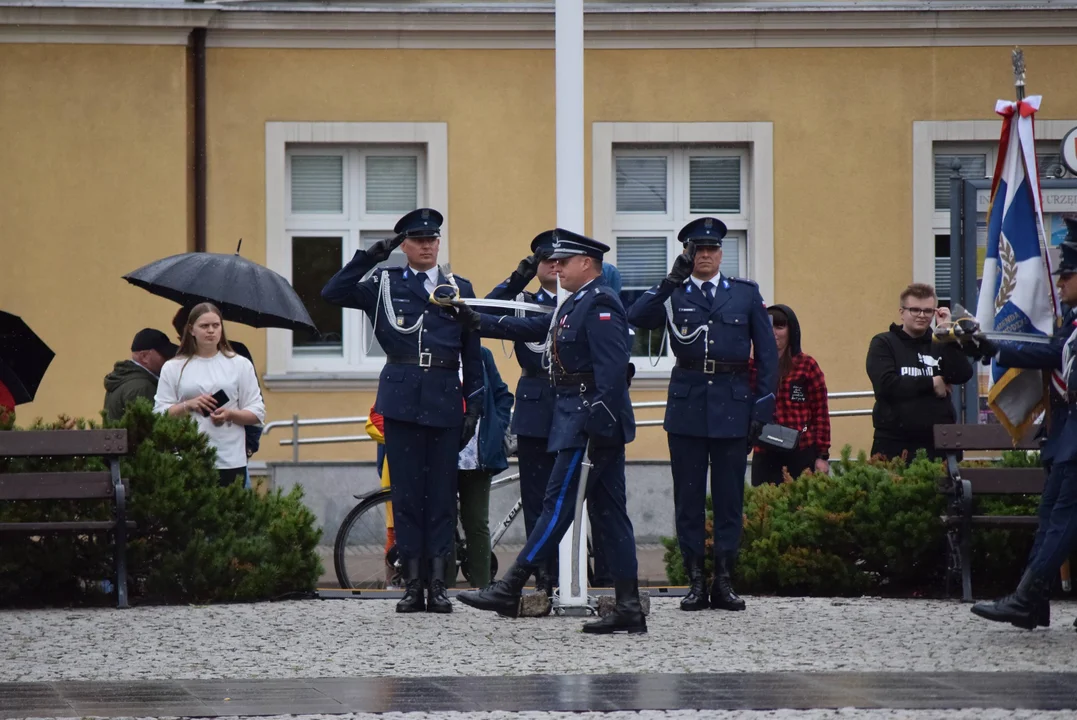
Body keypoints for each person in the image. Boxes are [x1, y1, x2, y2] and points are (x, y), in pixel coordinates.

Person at [453, 229, 646, 635]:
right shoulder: (575, 303)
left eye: (565, 260)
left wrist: (596, 419)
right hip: (581, 419)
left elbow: (613, 372)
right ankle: (629, 606)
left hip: (590, 423)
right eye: (553, 261)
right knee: (611, 517)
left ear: (587, 264)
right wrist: (477, 321)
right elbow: (530, 329)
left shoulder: (602, 303)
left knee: (557, 505)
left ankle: (510, 585)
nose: (556, 267)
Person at [320, 207, 484, 615]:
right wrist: (371, 256)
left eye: (433, 239)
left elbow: (473, 352)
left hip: (446, 399)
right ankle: (412, 584)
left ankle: (439, 583)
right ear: (404, 245)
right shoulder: (383, 284)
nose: (427, 245)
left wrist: (475, 406)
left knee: (442, 497)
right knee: (408, 496)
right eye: (418, 240)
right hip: (402, 398)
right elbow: (332, 293)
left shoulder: (457, 287)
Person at [626, 217, 778, 613]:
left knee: (729, 500)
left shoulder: (744, 295)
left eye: (710, 249)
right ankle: (694, 581)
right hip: (688, 406)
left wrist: (762, 409)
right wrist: (669, 282)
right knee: (688, 499)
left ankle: (724, 581)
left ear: (721, 253)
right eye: (697, 250)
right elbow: (637, 317)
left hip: (733, 405)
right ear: (687, 254)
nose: (704, 256)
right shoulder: (674, 295)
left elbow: (766, 355)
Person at [962, 222, 1077, 630]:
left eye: (1066, 276)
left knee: (1061, 522)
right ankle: (1030, 605)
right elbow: (1051, 353)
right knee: (1052, 519)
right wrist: (990, 346)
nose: (1059, 284)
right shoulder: (1074, 321)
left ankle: (1027, 599)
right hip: (1066, 440)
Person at [154, 303, 266, 488]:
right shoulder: (174, 367)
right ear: (191, 329)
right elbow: (159, 414)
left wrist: (230, 414)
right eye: (204, 326)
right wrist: (189, 405)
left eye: (216, 325)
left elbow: (257, 413)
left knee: (231, 513)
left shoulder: (239, 364)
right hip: (187, 457)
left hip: (230, 457)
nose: (211, 331)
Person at [866, 283, 973, 461]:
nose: (922, 315)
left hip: (939, 442)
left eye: (928, 311)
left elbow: (962, 374)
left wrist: (946, 333)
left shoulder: (940, 343)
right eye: (915, 310)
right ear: (902, 312)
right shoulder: (883, 343)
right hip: (893, 442)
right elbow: (886, 384)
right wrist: (931, 383)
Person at [451, 346, 514, 589]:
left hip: (477, 453)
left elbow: (502, 395)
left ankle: (482, 586)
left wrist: (497, 428)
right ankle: (444, 588)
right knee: (443, 521)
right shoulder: (435, 349)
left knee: (476, 522)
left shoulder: (481, 355)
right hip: (443, 451)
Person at [749, 305, 831, 485]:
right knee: (764, 508)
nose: (774, 332)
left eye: (780, 327)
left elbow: (821, 413)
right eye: (768, 326)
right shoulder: (753, 366)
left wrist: (822, 455)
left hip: (801, 450)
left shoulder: (807, 365)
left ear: (791, 330)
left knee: (801, 508)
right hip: (765, 451)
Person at [103, 329, 179, 421]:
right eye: (164, 355)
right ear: (144, 356)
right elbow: (152, 428)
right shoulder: (142, 387)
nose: (168, 359)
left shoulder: (122, 379)